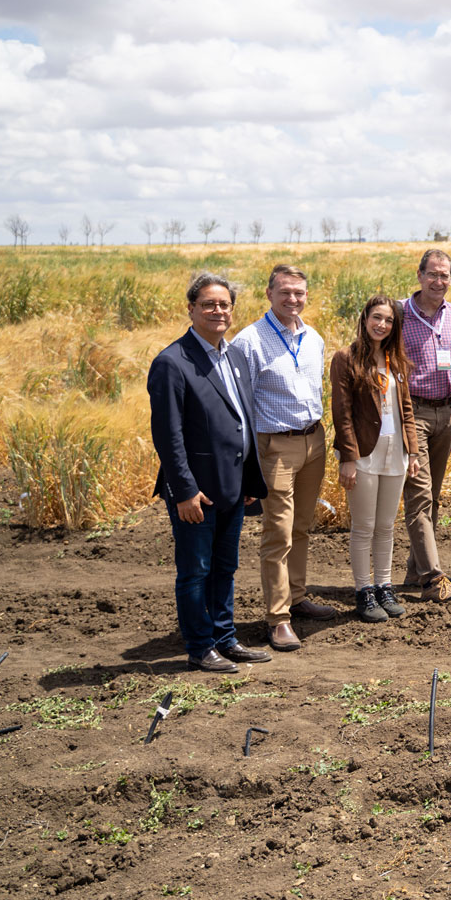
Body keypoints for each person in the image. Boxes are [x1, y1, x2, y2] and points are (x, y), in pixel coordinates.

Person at [147, 273, 270, 673]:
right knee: (195, 570)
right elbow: (168, 435)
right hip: (195, 492)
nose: (218, 311)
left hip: (232, 487)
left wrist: (250, 480)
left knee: (224, 567)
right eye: (208, 304)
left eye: (224, 305)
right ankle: (200, 646)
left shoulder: (233, 356)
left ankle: (224, 638)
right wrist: (184, 491)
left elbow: (242, 422)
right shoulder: (172, 362)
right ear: (191, 309)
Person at [230, 264, 330, 652]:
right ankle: (278, 618)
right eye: (285, 292)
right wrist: (249, 463)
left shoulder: (313, 338)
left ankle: (298, 596)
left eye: (299, 293)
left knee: (302, 526)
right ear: (269, 294)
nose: (293, 299)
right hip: (275, 447)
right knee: (279, 533)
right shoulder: (249, 342)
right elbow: (240, 406)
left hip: (313, 442)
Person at [329, 296, 421, 622]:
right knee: (363, 526)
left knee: (385, 526)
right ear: (365, 317)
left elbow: (406, 410)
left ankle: (384, 585)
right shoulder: (346, 358)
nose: (382, 325)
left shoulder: (396, 361)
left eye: (389, 320)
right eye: (377, 318)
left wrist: (413, 452)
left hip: (395, 451)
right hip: (364, 452)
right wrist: (348, 459)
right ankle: (363, 591)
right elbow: (342, 414)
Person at [400, 249, 451, 602]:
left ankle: (415, 570)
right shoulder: (399, 315)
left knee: (432, 496)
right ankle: (432, 580)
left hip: (448, 414)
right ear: (419, 275)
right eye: (433, 274)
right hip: (412, 414)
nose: (439, 281)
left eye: (445, 275)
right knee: (418, 494)